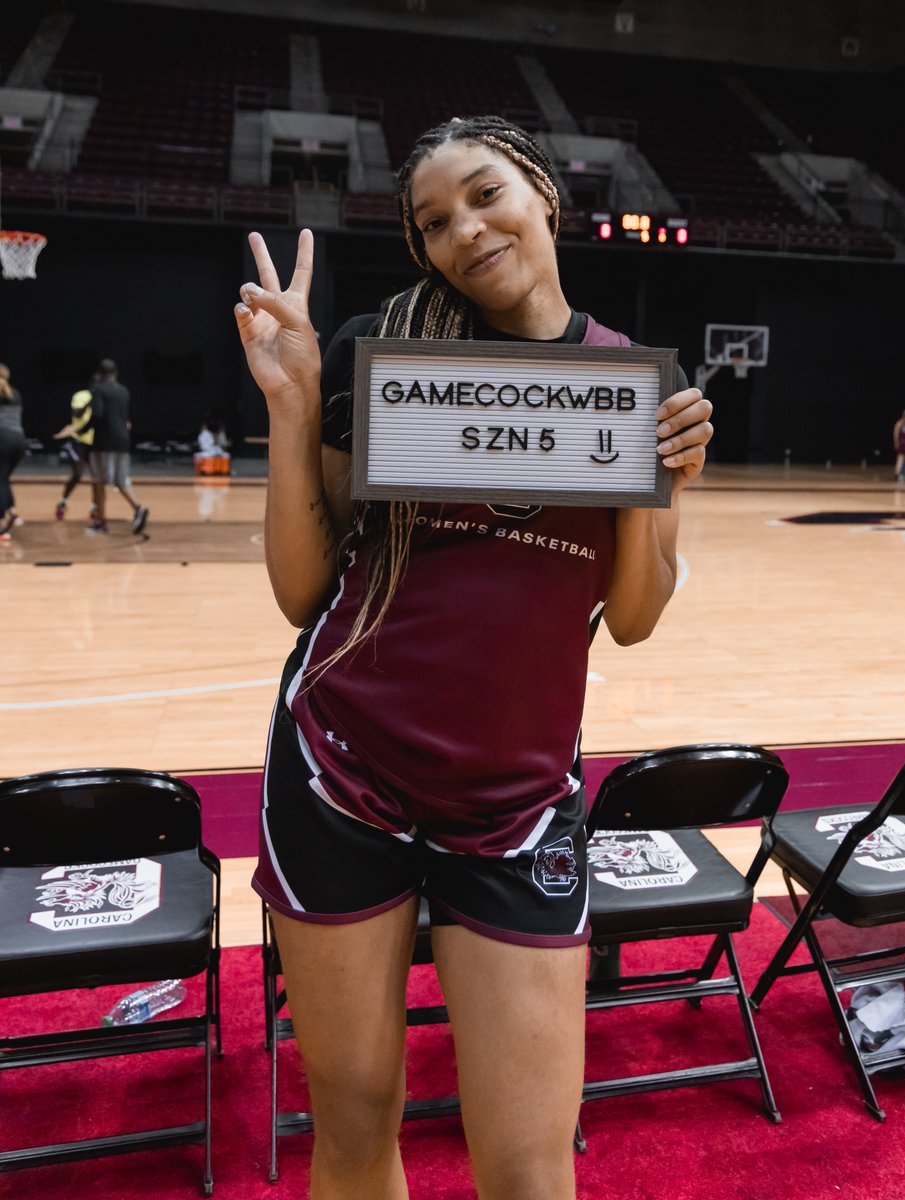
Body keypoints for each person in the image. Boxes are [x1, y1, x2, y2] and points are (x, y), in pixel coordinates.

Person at [234, 115, 713, 1200]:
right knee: (356, 1127)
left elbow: (635, 617)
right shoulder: (387, 354)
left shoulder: (628, 380)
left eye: (485, 196)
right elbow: (304, 593)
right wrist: (295, 403)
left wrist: (663, 487)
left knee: (533, 1167)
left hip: (515, 798)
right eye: (434, 222)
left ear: (542, 192)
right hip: (341, 775)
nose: (466, 231)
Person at [87, 358, 149, 534]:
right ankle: (138, 508)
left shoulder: (98, 390)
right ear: (116, 373)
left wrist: (81, 429)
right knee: (121, 481)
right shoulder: (124, 391)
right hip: (123, 441)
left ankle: (100, 523)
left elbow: (97, 415)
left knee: (98, 482)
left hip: (104, 442)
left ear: (100, 374)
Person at [53, 371, 99, 520]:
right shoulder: (81, 396)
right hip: (79, 442)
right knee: (77, 475)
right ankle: (63, 502)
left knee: (96, 477)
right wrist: (90, 402)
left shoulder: (103, 398)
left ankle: (95, 507)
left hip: (96, 442)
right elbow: (77, 413)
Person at [0, 361, 27, 542]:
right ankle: (12, 512)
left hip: (2, 438)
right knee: (3, 478)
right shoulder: (15, 393)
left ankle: (2, 526)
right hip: (19, 440)